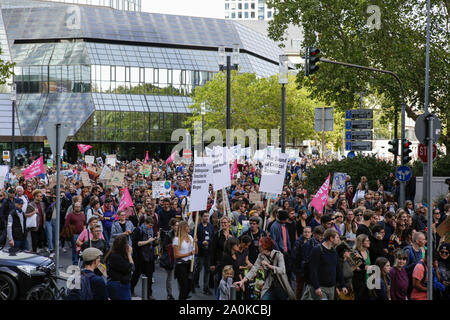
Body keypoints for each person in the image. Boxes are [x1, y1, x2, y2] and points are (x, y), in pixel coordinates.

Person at [302, 228, 347, 300]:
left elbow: (338, 269)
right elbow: (313, 270)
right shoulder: (317, 250)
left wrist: (343, 285)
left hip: (331, 287)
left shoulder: (334, 251)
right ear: (331, 238)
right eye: (337, 237)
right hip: (321, 287)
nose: (339, 239)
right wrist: (316, 287)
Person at [131, 216, 158, 300]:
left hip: (149, 256)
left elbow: (152, 243)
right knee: (136, 274)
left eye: (152, 226)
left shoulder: (151, 231)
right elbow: (137, 243)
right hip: (140, 256)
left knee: (149, 276)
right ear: (145, 223)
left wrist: (155, 241)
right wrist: (148, 241)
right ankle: (131, 289)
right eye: (149, 225)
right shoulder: (138, 230)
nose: (151, 227)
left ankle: (149, 293)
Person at [173, 221, 198, 300]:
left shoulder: (190, 237)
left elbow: (196, 251)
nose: (189, 228)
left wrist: (196, 243)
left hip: (190, 265)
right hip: (181, 265)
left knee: (189, 287)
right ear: (183, 228)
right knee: (183, 287)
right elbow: (176, 255)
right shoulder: (177, 239)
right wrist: (189, 254)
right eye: (187, 226)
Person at [105, 234, 134, 300]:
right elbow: (131, 268)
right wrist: (129, 255)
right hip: (119, 285)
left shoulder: (113, 254)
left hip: (118, 284)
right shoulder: (116, 257)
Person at [193, 211, 214, 295]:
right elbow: (195, 240)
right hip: (200, 252)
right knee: (198, 269)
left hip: (208, 252)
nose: (206, 218)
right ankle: (194, 283)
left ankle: (206, 287)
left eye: (207, 216)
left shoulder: (211, 226)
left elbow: (212, 237)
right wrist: (201, 243)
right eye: (205, 216)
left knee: (207, 270)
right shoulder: (198, 227)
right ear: (201, 217)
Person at [160, 218, 178, 300]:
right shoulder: (169, 235)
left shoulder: (180, 234)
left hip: (179, 258)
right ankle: (169, 294)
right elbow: (164, 246)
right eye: (176, 225)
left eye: (178, 225)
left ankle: (182, 292)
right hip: (171, 258)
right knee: (170, 277)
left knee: (180, 277)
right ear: (172, 226)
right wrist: (172, 245)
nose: (177, 227)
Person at [353, 234, 371, 300]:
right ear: (361, 242)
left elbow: (366, 266)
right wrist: (365, 267)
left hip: (367, 279)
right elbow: (356, 268)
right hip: (359, 280)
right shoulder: (355, 252)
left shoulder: (367, 251)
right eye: (367, 240)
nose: (369, 242)